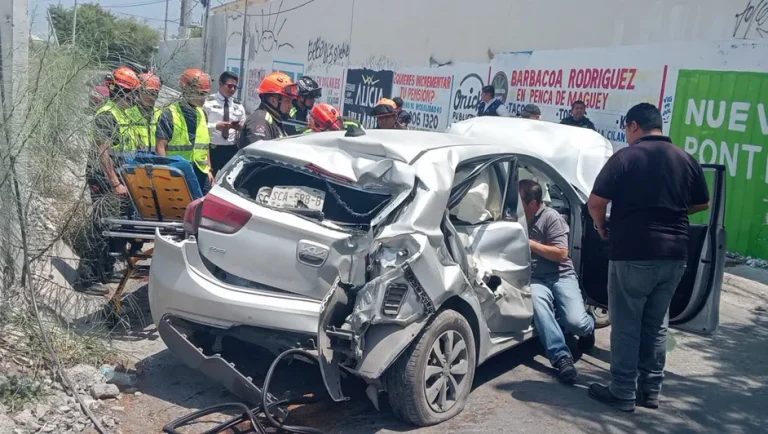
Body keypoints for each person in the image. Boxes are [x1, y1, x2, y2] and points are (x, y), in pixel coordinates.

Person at [587, 103, 710, 412]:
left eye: (627, 129)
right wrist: (673, 210)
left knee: (627, 324)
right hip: (675, 256)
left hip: (633, 252)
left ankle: (623, 391)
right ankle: (651, 390)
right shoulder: (685, 158)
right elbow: (702, 203)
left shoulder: (626, 157)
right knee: (656, 326)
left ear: (633, 126)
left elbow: (595, 202)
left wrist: (602, 227)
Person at [520, 179, 595, 383]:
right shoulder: (518, 218)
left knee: (576, 323)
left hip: (561, 275)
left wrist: (529, 244)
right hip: (536, 278)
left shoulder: (551, 218)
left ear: (533, 203)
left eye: (520, 201)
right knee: (539, 307)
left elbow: (562, 253)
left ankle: (589, 324)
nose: (517, 205)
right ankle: (561, 357)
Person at [76, 66, 143, 293]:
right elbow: (102, 153)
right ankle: (85, 279)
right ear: (125, 92)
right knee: (100, 227)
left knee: (111, 227)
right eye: (133, 94)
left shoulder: (122, 113)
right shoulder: (107, 114)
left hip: (118, 179)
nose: (135, 99)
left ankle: (104, 271)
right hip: (103, 178)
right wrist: (115, 182)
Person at [156, 68, 214, 194]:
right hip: (177, 172)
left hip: (201, 172)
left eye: (205, 94)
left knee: (201, 209)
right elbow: (160, 147)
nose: (203, 98)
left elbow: (205, 145)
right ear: (186, 89)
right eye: (200, 94)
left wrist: (209, 170)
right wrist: (165, 174)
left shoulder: (202, 113)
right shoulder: (169, 114)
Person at [239, 72, 298, 147]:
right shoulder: (259, 121)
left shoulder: (274, 120)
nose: (291, 106)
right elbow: (259, 155)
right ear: (273, 100)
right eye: (287, 101)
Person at [204, 71, 246, 175]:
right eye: (229, 86)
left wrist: (240, 127)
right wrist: (216, 126)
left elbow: (245, 126)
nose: (232, 89)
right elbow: (199, 126)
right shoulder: (208, 102)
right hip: (212, 149)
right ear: (220, 84)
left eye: (235, 87)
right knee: (208, 181)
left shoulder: (238, 105)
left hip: (231, 150)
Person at [129, 72, 162, 152]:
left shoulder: (160, 114)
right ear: (137, 92)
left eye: (154, 94)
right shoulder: (128, 114)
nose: (150, 97)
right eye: (147, 93)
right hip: (133, 161)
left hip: (154, 160)